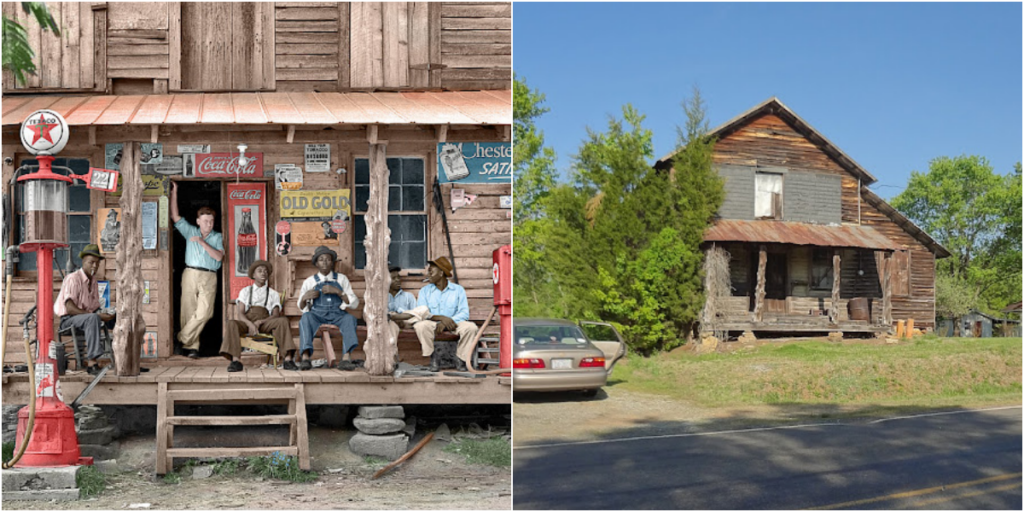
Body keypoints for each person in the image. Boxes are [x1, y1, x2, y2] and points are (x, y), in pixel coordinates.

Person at [170, 181, 224, 358]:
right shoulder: (190, 231)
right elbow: (175, 216)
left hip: (209, 275)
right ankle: (192, 347)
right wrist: (175, 191)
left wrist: (202, 242)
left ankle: (181, 338)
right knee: (188, 310)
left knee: (205, 312)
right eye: (205, 221)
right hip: (190, 272)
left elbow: (218, 257)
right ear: (198, 221)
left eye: (211, 221)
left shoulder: (217, 237)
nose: (208, 224)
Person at [221, 260, 298, 372]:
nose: (263, 273)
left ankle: (288, 360)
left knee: (283, 320)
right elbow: (241, 313)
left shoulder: (273, 294)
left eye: (265, 271)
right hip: (247, 322)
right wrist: (250, 324)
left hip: (265, 322)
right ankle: (235, 361)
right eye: (260, 271)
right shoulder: (245, 291)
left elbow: (275, 315)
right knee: (232, 323)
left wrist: (260, 322)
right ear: (253, 275)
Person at [53, 245, 115, 375]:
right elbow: (70, 308)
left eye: (97, 264)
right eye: (91, 262)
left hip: (85, 319)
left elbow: (95, 307)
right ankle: (92, 363)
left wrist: (108, 314)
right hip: (68, 320)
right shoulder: (73, 278)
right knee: (93, 318)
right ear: (83, 262)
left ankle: (124, 359)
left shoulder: (93, 281)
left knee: (118, 318)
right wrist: (95, 315)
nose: (94, 266)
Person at [297, 246, 359, 371]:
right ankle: (305, 358)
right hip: (317, 315)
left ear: (332, 262)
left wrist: (338, 292)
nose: (324, 262)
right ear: (316, 263)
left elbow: (354, 303)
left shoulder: (341, 279)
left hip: (337, 315)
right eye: (321, 259)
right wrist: (305, 298)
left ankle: (346, 358)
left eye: (328, 259)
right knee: (305, 318)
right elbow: (301, 307)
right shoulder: (309, 281)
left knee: (350, 319)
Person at [412, 257, 478, 372]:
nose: (428, 273)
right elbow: (422, 313)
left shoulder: (458, 290)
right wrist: (442, 319)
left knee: (471, 328)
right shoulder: (424, 291)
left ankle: (460, 358)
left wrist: (449, 321)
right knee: (420, 325)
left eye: (431, 270)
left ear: (441, 273)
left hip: (454, 324)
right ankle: (433, 357)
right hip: (433, 325)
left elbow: (464, 313)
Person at [387, 266, 422, 357]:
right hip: (391, 323)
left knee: (420, 312)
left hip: (407, 322)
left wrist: (401, 318)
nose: (398, 280)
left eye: (399, 277)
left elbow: (415, 315)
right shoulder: (383, 297)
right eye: (393, 278)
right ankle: (393, 355)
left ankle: (392, 356)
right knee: (391, 322)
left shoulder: (408, 296)